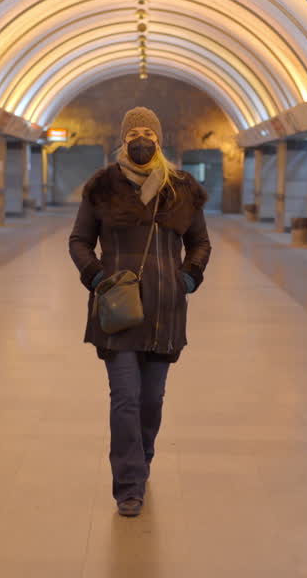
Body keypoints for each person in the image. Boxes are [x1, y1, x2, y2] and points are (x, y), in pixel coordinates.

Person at [68, 107, 212, 518]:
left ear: (160, 139)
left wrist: (188, 277)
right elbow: (79, 241)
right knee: (125, 399)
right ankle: (129, 485)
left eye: (149, 131)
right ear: (123, 138)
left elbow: (200, 243)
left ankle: (142, 459)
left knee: (151, 400)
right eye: (135, 132)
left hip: (165, 310)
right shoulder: (103, 187)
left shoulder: (181, 189)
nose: (142, 138)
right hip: (118, 311)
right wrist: (98, 277)